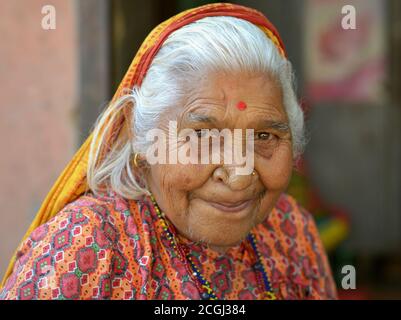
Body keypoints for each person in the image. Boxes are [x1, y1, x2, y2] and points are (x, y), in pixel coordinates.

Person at [0, 3, 337, 300]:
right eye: (203, 135)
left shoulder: (291, 229)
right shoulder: (88, 245)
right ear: (140, 134)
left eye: (264, 135)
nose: (238, 174)